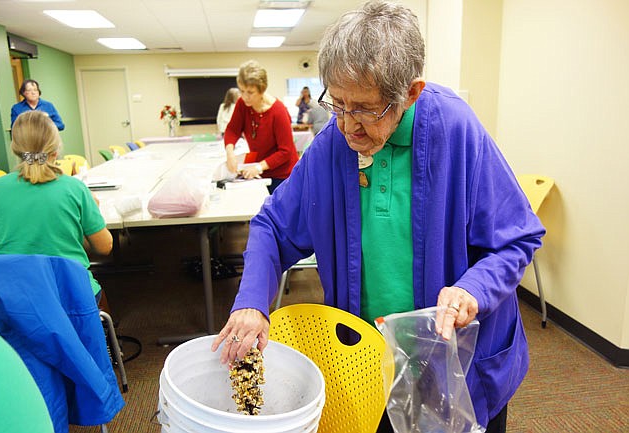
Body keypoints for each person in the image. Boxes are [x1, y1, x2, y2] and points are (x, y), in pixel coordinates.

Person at [212, 1, 545, 432]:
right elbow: (272, 226)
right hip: (369, 363)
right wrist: (253, 302)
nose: (348, 125)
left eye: (366, 108)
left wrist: (472, 290)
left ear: (410, 92)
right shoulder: (335, 142)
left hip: (456, 364)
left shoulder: (455, 130)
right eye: (339, 103)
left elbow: (517, 238)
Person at [0, 110, 112, 302]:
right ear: (56, 148)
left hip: (13, 298)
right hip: (70, 295)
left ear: (14, 148)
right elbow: (104, 247)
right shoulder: (74, 188)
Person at [224, 60, 298, 194]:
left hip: (283, 175)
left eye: (250, 92)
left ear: (261, 90)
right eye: (242, 91)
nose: (245, 97)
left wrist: (258, 167)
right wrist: (230, 153)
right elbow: (232, 130)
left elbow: (285, 151)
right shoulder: (243, 104)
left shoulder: (278, 111)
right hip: (261, 171)